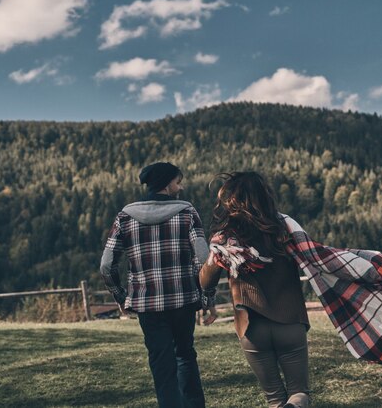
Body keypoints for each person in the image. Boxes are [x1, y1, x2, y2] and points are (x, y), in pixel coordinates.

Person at [100, 162, 215, 408]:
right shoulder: (187, 212)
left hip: (147, 304)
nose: (180, 187)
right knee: (184, 355)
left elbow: (106, 265)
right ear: (166, 183)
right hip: (184, 300)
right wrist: (207, 297)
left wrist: (121, 297)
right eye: (177, 181)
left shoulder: (124, 217)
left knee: (161, 362)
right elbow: (204, 259)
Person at [200, 172, 310, 408]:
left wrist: (213, 256)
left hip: (251, 326)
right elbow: (315, 260)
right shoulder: (286, 228)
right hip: (290, 321)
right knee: (299, 393)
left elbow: (205, 282)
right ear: (266, 196)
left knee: (274, 399)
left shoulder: (225, 239)